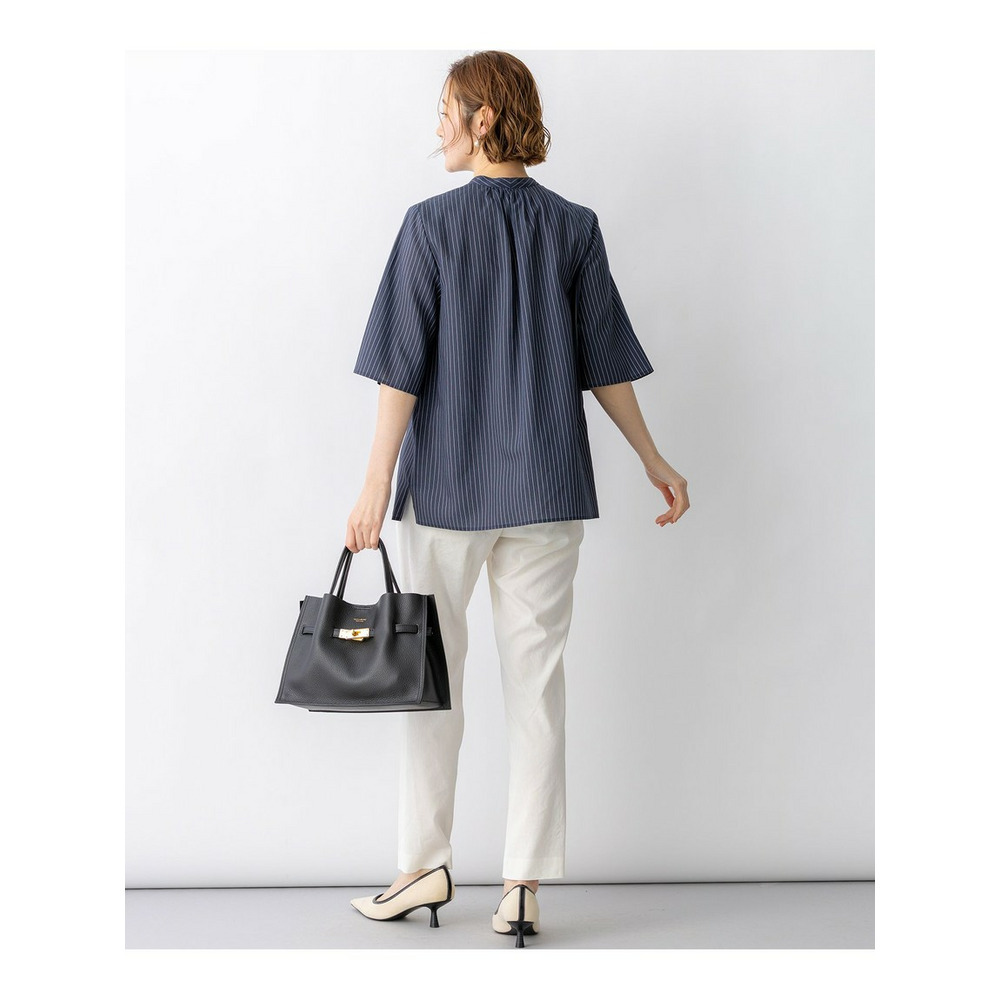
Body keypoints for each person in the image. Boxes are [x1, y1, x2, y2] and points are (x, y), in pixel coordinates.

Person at [345, 51, 690, 947]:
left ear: (484, 118)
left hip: (446, 492)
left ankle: (423, 867)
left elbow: (399, 369)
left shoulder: (428, 227)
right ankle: (524, 886)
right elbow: (605, 362)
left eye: (447, 110)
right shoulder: (573, 227)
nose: (438, 128)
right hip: (546, 487)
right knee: (536, 689)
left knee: (431, 684)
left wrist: (376, 482)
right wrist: (652, 457)